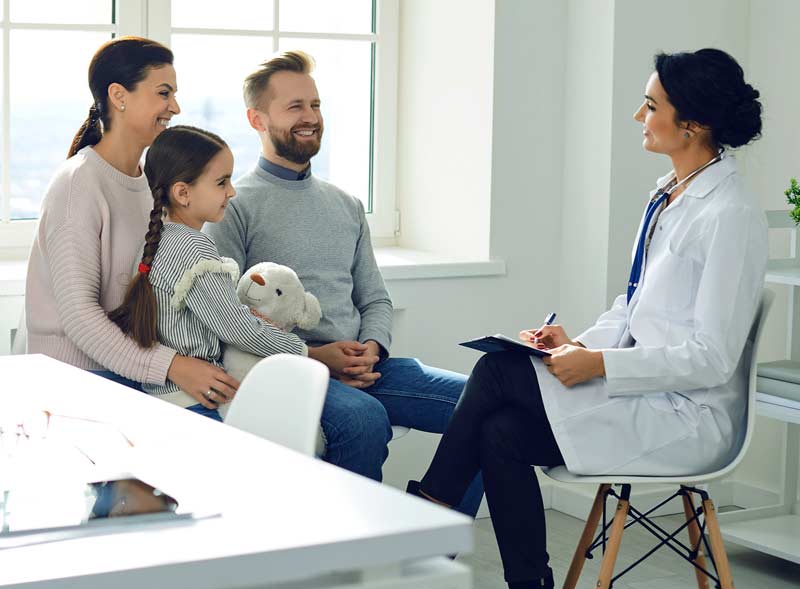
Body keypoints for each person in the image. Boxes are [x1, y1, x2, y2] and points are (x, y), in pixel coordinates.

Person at [407, 48, 768, 589]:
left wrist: (598, 364)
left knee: (498, 373)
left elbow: (712, 358)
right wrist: (576, 343)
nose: (637, 116)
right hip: (642, 394)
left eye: (650, 106)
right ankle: (529, 585)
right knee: (498, 431)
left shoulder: (730, 215)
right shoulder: (669, 193)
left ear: (692, 123)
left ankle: (428, 520)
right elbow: (634, 306)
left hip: (689, 418)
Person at [205, 50, 483, 516]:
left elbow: (374, 296)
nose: (310, 118)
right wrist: (316, 356)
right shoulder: (234, 205)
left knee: (487, 405)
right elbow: (228, 316)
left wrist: (372, 346)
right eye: (294, 107)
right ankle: (347, 560)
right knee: (363, 419)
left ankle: (429, 549)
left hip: (363, 364)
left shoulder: (346, 204)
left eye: (315, 106)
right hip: (290, 367)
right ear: (257, 118)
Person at [24, 37, 240, 403]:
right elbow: (80, 318)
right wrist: (173, 366)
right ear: (119, 96)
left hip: (132, 373)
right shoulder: (78, 184)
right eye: (163, 93)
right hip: (76, 382)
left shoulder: (148, 183)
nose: (175, 107)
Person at [107, 125, 309, 420]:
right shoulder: (193, 246)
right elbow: (238, 330)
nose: (232, 191)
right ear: (183, 193)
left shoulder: (162, 239)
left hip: (164, 396)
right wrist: (306, 352)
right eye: (221, 182)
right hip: (195, 401)